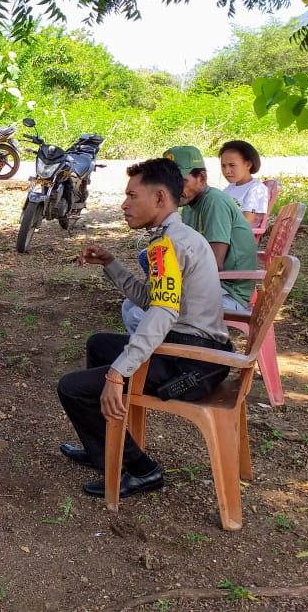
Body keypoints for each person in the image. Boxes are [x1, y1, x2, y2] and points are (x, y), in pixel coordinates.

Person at [57, 158, 233, 499]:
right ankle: (105, 452)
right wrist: (111, 265)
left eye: (131, 196)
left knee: (72, 388)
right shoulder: (172, 237)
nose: (124, 204)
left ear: (160, 198)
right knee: (99, 344)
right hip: (197, 355)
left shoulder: (168, 245)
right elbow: (153, 301)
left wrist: (118, 373)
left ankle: (143, 471)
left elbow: (162, 314)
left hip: (190, 366)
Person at [122, 145, 255, 333]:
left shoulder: (214, 202)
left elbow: (214, 263)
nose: (176, 190)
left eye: (182, 182)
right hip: (207, 286)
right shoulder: (189, 205)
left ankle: (167, 358)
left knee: (140, 316)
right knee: (130, 305)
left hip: (226, 292)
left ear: (201, 177)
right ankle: (154, 358)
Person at [219, 140, 268, 227]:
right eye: (223, 166)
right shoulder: (230, 188)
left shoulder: (256, 189)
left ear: (248, 164)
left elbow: (246, 222)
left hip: (238, 237)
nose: (226, 171)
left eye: (232, 165)